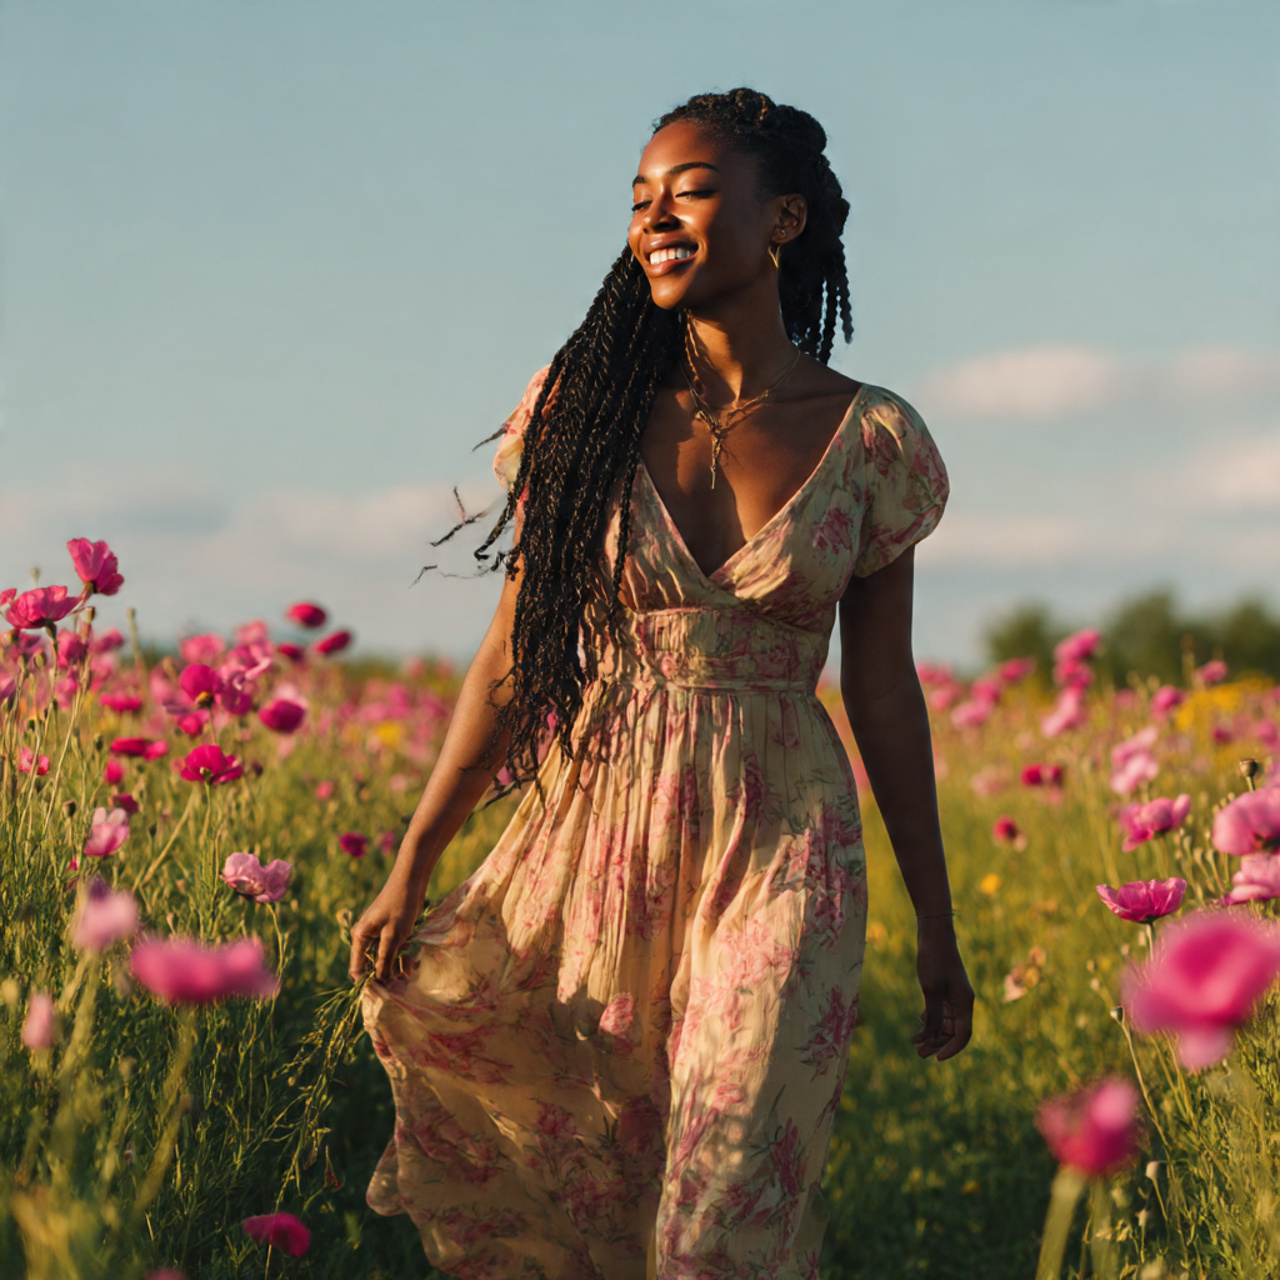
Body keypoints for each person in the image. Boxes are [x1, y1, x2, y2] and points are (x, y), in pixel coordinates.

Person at [350, 87, 973, 1280]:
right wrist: (414, 856)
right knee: (608, 1185)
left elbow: (883, 694)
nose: (654, 219)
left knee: (723, 1205)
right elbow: (509, 658)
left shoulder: (872, 437)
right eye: (639, 200)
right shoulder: (581, 412)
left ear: (782, 217)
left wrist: (934, 927)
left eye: (689, 191)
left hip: (782, 838)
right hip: (601, 834)